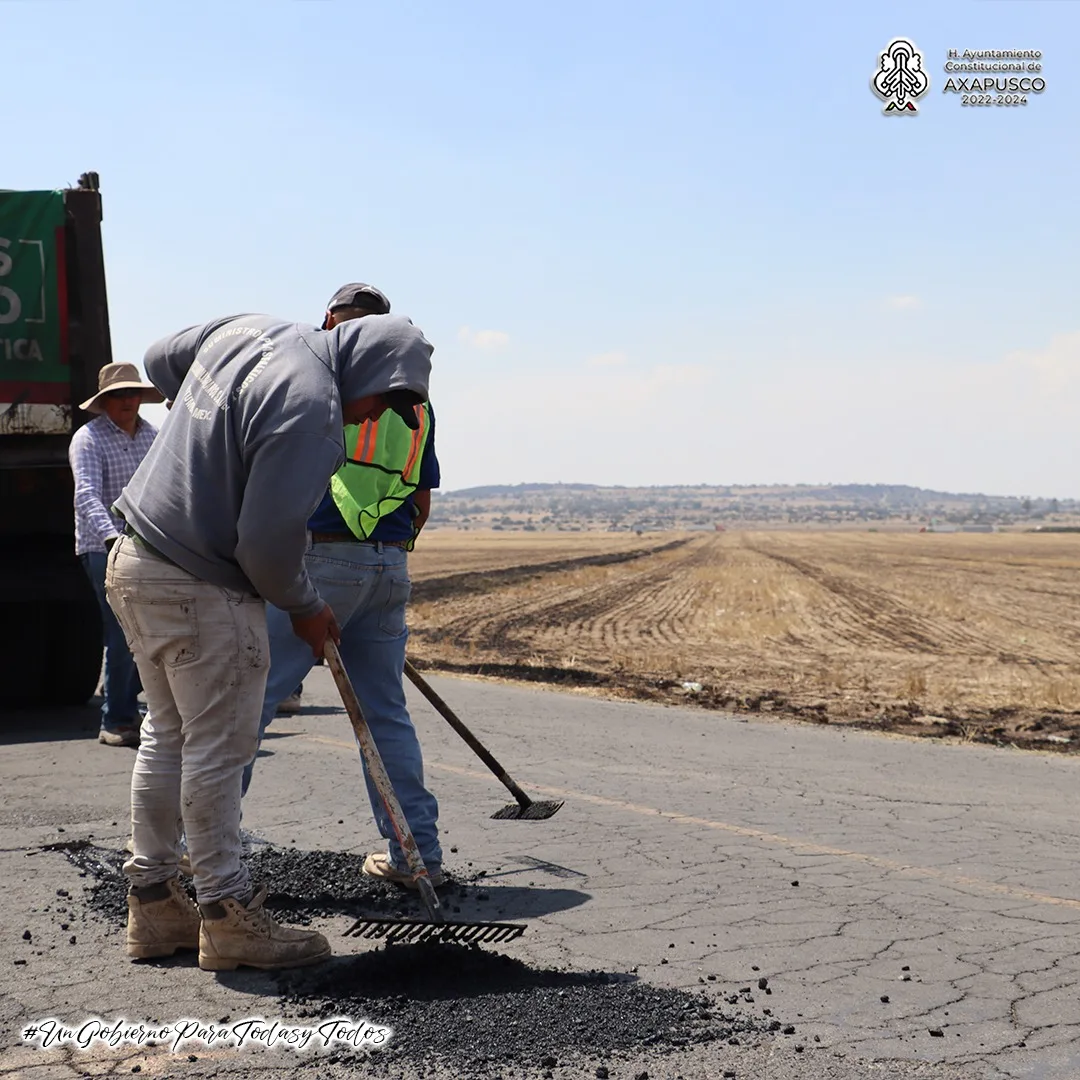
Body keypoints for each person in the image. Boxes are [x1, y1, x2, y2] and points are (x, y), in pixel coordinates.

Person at [105, 310, 432, 971]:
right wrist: (306, 609)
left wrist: (208, 424)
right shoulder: (313, 408)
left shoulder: (252, 330)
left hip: (137, 559)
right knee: (219, 749)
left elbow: (161, 355)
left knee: (167, 735)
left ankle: (155, 905)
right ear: (363, 367)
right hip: (202, 581)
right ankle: (227, 917)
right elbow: (264, 547)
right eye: (378, 402)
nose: (371, 419)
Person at [242, 283, 444, 890]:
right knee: (385, 714)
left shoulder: (319, 384)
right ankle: (417, 856)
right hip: (388, 564)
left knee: (247, 709)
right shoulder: (416, 404)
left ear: (331, 321)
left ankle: (195, 853)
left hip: (322, 562)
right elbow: (422, 498)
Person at [69, 363, 162, 747]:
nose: (128, 400)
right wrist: (111, 538)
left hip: (146, 549)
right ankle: (116, 720)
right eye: (119, 394)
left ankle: (126, 704)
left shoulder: (153, 437)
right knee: (124, 632)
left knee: (150, 634)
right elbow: (86, 495)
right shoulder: (87, 439)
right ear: (104, 401)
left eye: (133, 393)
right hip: (101, 548)